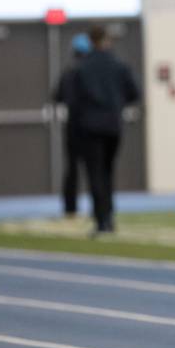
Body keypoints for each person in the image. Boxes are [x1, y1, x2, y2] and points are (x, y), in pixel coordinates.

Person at [70, 24, 140, 236]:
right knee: (108, 171)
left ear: (90, 41)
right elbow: (134, 93)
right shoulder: (119, 65)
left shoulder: (82, 68)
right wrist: (116, 104)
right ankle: (109, 217)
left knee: (95, 173)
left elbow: (74, 101)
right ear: (107, 40)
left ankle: (101, 220)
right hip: (112, 125)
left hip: (90, 127)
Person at [52, 31, 91, 215]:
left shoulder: (68, 73)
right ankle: (99, 207)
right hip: (91, 126)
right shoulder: (90, 73)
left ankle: (70, 208)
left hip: (73, 126)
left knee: (72, 169)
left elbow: (57, 96)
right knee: (94, 169)